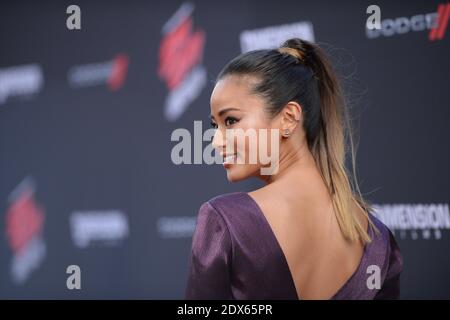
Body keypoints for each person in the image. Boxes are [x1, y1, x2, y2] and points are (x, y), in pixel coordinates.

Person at [185, 38, 402, 299]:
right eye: (214, 126)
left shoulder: (225, 221)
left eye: (231, 120)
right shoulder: (378, 239)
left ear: (288, 118)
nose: (216, 142)